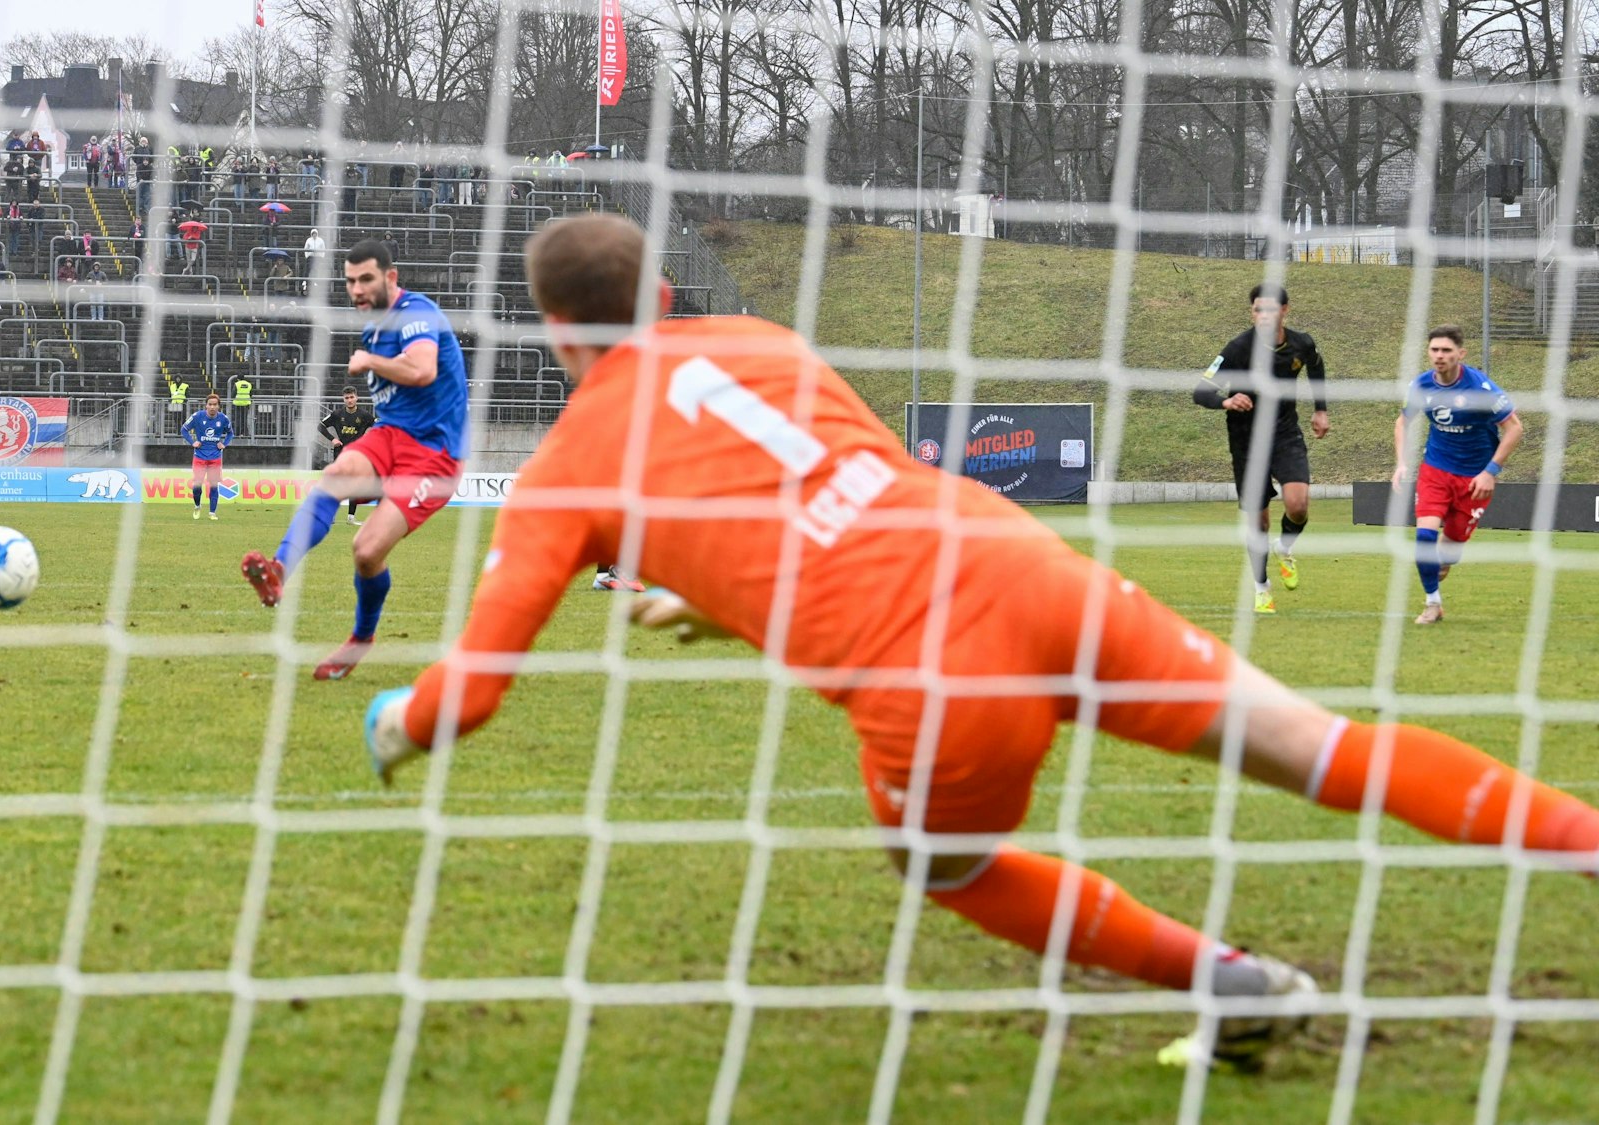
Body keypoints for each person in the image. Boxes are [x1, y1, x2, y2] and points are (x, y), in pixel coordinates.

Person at [360, 214, 1599, 1073]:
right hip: (1021, 569)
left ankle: (1239, 987)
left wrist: (396, 722)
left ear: (553, 332)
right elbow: (834, 488)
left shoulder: (568, 466)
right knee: (1315, 746)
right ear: (667, 297)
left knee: (946, 868)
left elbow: (469, 694)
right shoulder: (762, 345)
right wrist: (710, 595)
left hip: (928, 670)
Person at [241, 238, 468, 681]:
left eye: (366, 279)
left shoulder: (415, 313)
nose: (358, 289)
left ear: (390, 277)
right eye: (350, 281)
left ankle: (361, 639)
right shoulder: (374, 329)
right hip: (391, 435)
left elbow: (423, 370)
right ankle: (279, 570)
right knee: (336, 472)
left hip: (435, 452)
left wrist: (371, 362)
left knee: (366, 551)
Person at [1192, 284, 1329, 615]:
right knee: (1260, 523)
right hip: (1245, 442)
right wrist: (1226, 399)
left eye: (1270, 309)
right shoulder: (1238, 349)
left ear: (1285, 310)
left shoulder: (1301, 343)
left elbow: (1316, 367)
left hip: (1284, 434)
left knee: (1298, 506)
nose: (1263, 315)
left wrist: (1321, 409)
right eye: (1257, 310)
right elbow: (1200, 391)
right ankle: (1262, 587)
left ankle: (1285, 547)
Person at [1391, 325, 1523, 626]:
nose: (1439, 356)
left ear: (1460, 354)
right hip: (1435, 471)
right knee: (1424, 537)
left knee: (1446, 558)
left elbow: (1515, 428)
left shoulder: (1481, 389)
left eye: (1446, 350)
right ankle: (1432, 604)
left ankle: (1441, 571)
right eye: (1434, 349)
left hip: (1475, 480)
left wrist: (1491, 471)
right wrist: (1401, 463)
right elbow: (1402, 422)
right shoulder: (1421, 385)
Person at [317, 386, 376, 525]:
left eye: (351, 397)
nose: (349, 400)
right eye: (346, 398)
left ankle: (351, 517)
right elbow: (320, 426)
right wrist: (333, 439)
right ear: (343, 399)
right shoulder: (337, 414)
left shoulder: (364, 415)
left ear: (356, 398)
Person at [182, 392, 234, 520]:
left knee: (214, 485)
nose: (212, 407)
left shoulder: (223, 419)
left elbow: (230, 433)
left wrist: (224, 443)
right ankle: (197, 505)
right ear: (206, 406)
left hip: (215, 457)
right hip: (199, 456)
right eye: (210, 404)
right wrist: (192, 442)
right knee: (197, 486)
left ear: (218, 407)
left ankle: (212, 513)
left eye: (214, 405)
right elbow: (184, 429)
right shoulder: (197, 416)